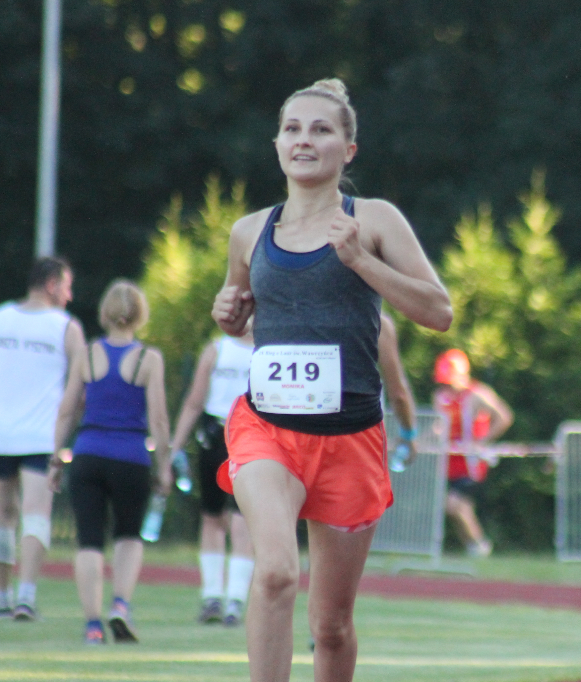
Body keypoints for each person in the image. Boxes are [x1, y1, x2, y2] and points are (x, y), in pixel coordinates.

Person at [210, 78, 451, 682]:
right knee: (275, 573)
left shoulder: (371, 220)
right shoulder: (249, 231)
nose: (304, 140)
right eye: (293, 129)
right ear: (277, 145)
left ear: (348, 150)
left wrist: (361, 263)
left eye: (321, 130)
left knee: (331, 626)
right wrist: (228, 313)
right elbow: (242, 309)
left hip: (350, 436)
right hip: (267, 427)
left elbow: (438, 312)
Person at [48, 280, 172, 644]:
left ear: (104, 312)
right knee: (128, 534)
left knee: (88, 540)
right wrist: (163, 464)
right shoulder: (149, 359)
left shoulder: (86, 355)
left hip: (88, 453)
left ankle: (92, 624)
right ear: (139, 314)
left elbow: (68, 408)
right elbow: (159, 419)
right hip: (131, 456)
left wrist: (57, 454)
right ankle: (120, 604)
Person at [0, 256, 86, 620]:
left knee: (7, 517)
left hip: (19, 435)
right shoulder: (65, 326)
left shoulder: (5, 316)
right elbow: (82, 383)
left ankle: (11, 596)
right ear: (51, 284)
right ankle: (22, 596)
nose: (69, 296)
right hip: (36, 437)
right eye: (66, 287)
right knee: (33, 516)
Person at [168, 329, 255, 626]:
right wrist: (175, 446)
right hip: (215, 436)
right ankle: (212, 596)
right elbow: (195, 401)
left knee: (243, 521)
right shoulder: (217, 348)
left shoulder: (269, 350)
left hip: (253, 436)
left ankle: (236, 599)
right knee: (212, 517)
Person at [432, 349, 514, 558]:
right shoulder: (440, 398)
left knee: (455, 505)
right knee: (458, 508)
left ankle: (479, 545)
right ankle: (473, 547)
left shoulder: (478, 394)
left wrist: (482, 441)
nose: (447, 385)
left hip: (471, 462)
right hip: (449, 460)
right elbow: (438, 425)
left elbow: (504, 416)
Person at [378, 312, 418, 468]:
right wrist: (408, 434)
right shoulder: (376, 320)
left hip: (299, 435)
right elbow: (398, 394)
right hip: (356, 437)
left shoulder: (298, 311)